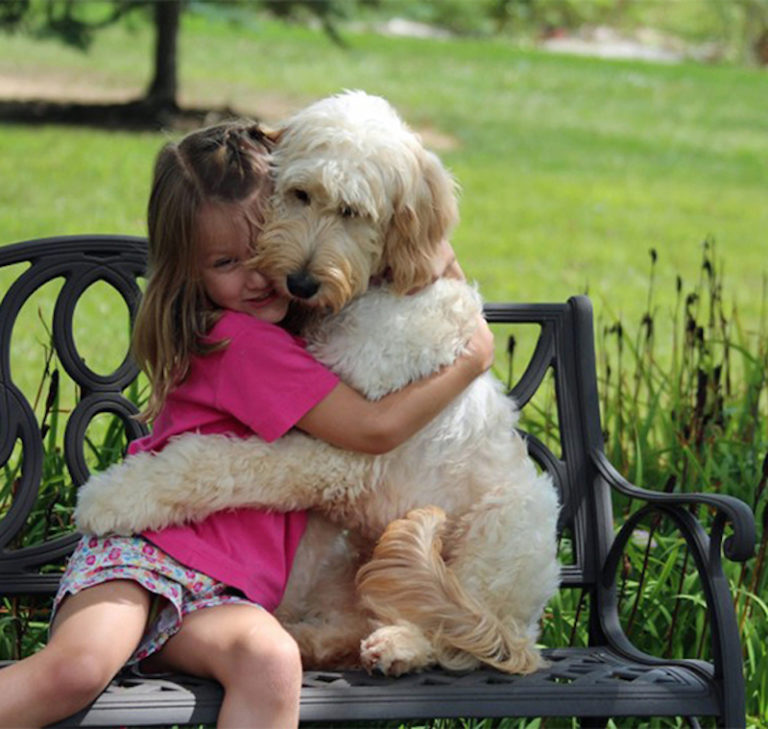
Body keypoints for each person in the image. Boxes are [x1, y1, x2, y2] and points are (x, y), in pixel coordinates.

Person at [0, 121, 494, 729]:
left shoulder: (283, 332)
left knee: (270, 659)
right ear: (192, 272)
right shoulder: (242, 344)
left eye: (264, 246)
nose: (258, 275)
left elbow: (418, 248)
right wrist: (472, 358)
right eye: (227, 262)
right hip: (147, 560)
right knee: (75, 669)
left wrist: (307, 140)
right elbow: (372, 431)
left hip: (227, 595)